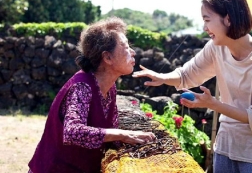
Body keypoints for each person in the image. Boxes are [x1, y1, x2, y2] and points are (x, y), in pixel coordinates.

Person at [132, 0, 252, 173]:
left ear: (228, 19)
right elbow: (187, 74)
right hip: (225, 150)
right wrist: (162, 77)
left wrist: (213, 104)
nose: (205, 28)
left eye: (207, 20)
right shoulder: (216, 48)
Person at [28, 17, 156, 173]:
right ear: (107, 57)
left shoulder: (109, 87)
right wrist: (122, 134)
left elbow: (110, 128)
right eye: (125, 46)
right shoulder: (82, 86)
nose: (133, 52)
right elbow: (72, 131)